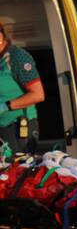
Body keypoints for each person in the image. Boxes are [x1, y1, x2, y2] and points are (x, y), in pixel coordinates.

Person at [0, 21, 45, 155]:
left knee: (17, 170)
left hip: (17, 127)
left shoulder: (17, 57)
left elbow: (38, 95)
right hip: (2, 127)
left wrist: (5, 106)